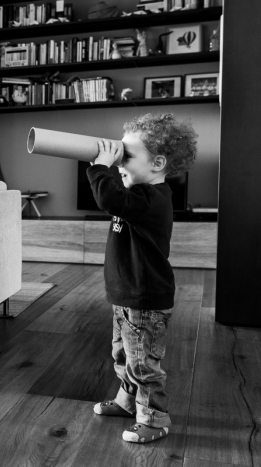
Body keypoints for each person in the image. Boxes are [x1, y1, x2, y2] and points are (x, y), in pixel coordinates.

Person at [87, 113, 197, 444]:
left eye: (127, 155)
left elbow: (108, 198)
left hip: (146, 298)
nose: (119, 161)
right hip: (126, 294)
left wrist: (100, 167)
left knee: (143, 364)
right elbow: (115, 195)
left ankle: (154, 419)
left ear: (158, 163)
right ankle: (127, 402)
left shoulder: (154, 198)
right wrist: (113, 167)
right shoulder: (137, 192)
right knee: (123, 356)